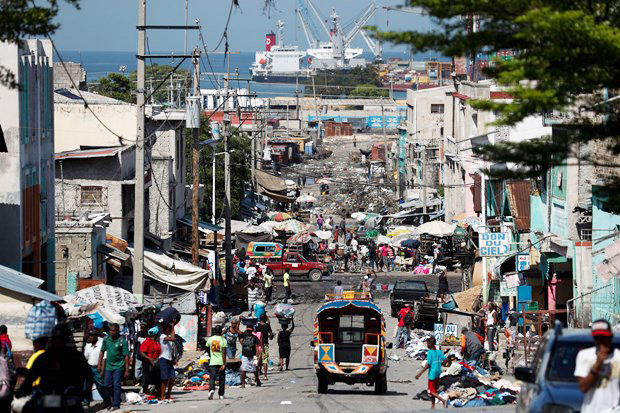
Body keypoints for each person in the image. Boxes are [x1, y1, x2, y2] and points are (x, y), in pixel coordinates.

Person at [22, 324, 92, 413]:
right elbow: (31, 377)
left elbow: (88, 375)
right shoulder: (43, 357)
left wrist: (87, 392)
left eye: (61, 338)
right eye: (56, 337)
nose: (58, 340)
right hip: (51, 397)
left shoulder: (76, 357)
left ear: (66, 339)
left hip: (69, 397)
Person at [574, 319, 620, 413]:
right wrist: (598, 364)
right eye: (597, 337)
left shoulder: (618, 357)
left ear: (610, 337)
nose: (601, 341)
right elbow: (583, 387)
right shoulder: (584, 356)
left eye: (604, 337)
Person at [98, 323, 129, 411]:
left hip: (119, 366)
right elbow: (102, 351)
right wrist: (99, 364)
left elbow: (126, 355)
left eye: (113, 331)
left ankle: (116, 404)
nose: (111, 332)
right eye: (110, 331)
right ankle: (115, 398)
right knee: (107, 385)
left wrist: (127, 370)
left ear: (118, 331)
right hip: (108, 366)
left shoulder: (122, 341)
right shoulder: (106, 339)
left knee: (116, 385)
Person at [415, 337, 448, 409]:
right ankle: (433, 407)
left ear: (430, 344)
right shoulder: (439, 352)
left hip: (432, 374)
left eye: (427, 343)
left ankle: (443, 400)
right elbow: (446, 358)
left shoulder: (430, 353)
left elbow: (428, 365)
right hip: (438, 373)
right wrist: (442, 364)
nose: (426, 345)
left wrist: (420, 373)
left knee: (431, 391)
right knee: (434, 390)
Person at [83, 332, 111, 406]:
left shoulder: (101, 344)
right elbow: (86, 357)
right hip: (89, 367)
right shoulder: (88, 345)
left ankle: (107, 400)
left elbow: (104, 358)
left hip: (98, 368)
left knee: (100, 386)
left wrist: (102, 369)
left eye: (92, 335)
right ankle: (86, 401)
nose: (90, 337)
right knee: (86, 385)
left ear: (96, 336)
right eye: (89, 335)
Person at [206, 325, 227, 400]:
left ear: (214, 331)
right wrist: (224, 364)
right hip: (220, 362)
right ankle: (221, 394)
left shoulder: (210, 339)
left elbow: (207, 349)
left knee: (212, 378)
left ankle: (211, 389)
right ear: (221, 331)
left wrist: (211, 356)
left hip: (213, 361)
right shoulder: (223, 340)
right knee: (221, 378)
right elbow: (224, 353)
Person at [138, 327, 162, 395]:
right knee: (147, 377)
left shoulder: (156, 342)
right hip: (147, 363)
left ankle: (156, 391)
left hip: (155, 362)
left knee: (156, 377)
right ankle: (146, 390)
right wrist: (149, 359)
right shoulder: (147, 342)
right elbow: (142, 352)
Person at [158, 322, 177, 402]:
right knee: (165, 379)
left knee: (172, 377)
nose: (170, 330)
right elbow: (173, 339)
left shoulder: (167, 337)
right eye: (168, 329)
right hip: (163, 359)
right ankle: (162, 396)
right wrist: (173, 327)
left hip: (168, 360)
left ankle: (168, 394)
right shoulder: (162, 337)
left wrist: (173, 358)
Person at [256, 314, 274, 381]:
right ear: (265, 319)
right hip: (265, 344)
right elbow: (271, 335)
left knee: (257, 359)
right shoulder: (267, 325)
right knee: (265, 360)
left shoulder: (257, 326)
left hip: (258, 345)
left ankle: (257, 373)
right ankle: (265, 376)